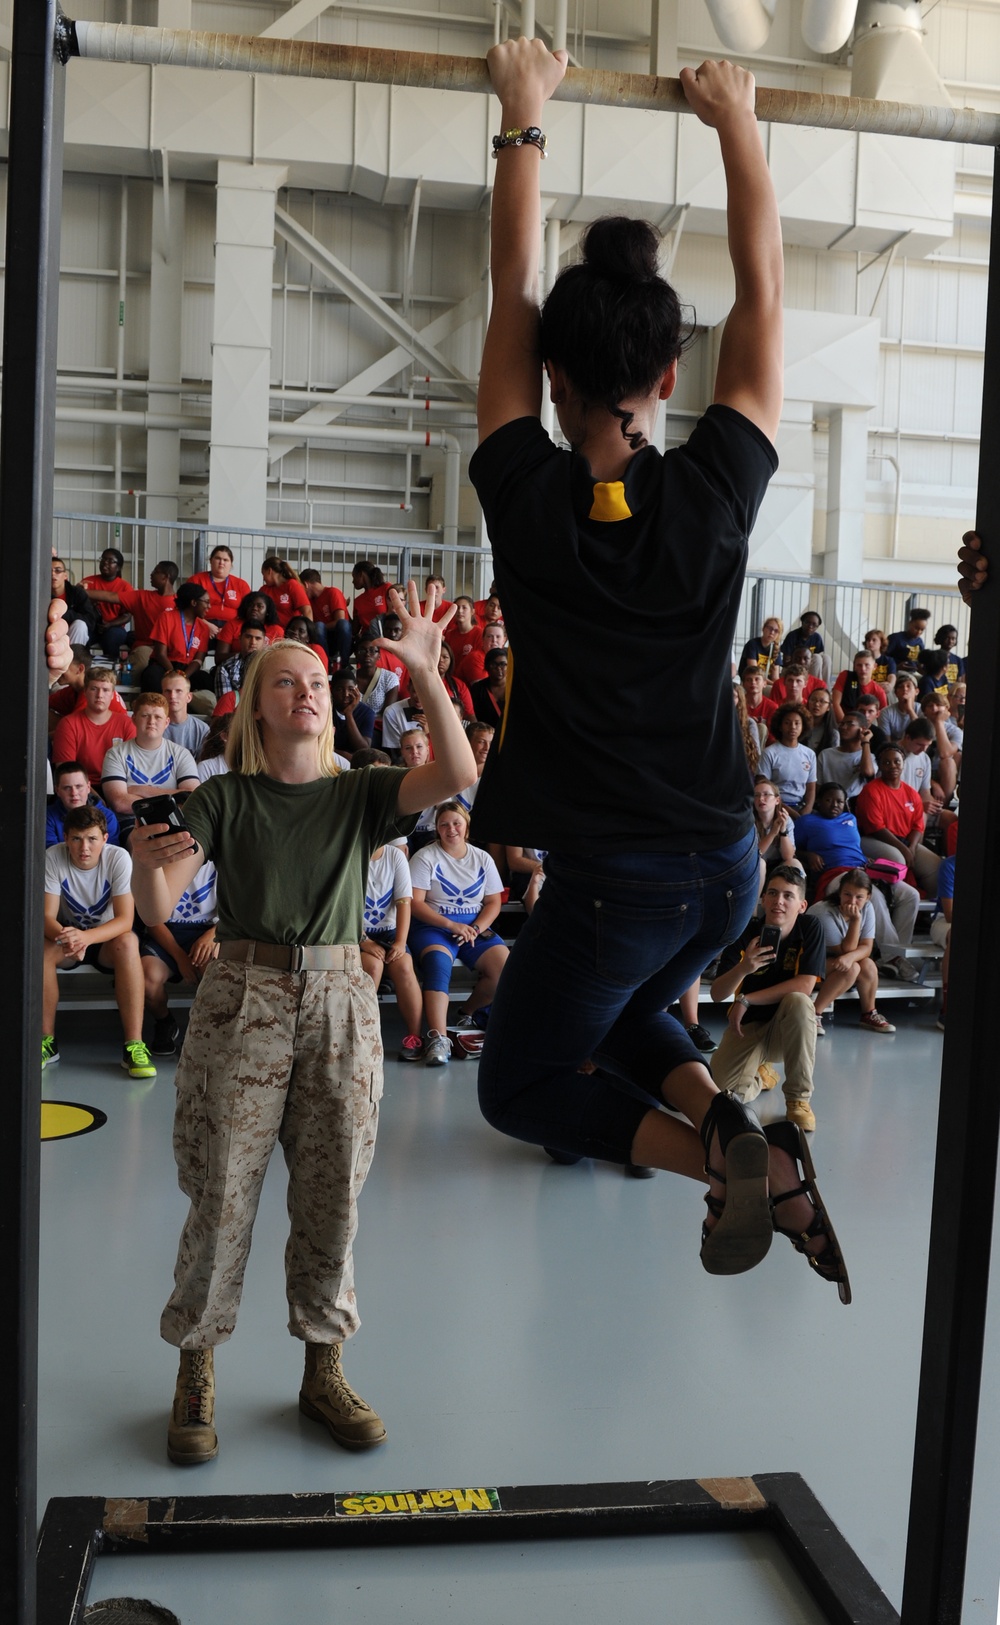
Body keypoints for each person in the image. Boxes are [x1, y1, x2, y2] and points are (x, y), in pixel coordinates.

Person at [468, 40, 846, 1295]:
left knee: (522, 1079)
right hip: (727, 865)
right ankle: (741, 1130)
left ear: (554, 380)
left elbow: (510, 293)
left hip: (620, 878)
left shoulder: (527, 501)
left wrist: (524, 115)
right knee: (627, 1008)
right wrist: (736, 123)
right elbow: (766, 293)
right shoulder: (716, 495)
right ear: (670, 378)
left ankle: (728, 1164)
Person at [129, 587, 477, 1466]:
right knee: (221, 1192)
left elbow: (459, 776)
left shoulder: (358, 794)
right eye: (286, 682)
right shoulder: (226, 797)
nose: (307, 692)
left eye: (317, 680)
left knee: (334, 1194)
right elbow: (161, 901)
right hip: (243, 999)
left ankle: (325, 1365)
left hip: (339, 1006)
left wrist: (429, 674)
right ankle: (196, 1367)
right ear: (257, 706)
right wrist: (143, 861)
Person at [710, 865, 826, 1135]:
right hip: (747, 1028)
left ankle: (798, 1099)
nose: (779, 901)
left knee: (798, 1001)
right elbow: (718, 994)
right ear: (762, 899)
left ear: (802, 905)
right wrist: (743, 968)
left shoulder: (810, 928)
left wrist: (746, 999)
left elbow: (806, 984)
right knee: (724, 1093)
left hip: (787, 1032)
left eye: (788, 895)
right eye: (772, 893)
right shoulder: (746, 931)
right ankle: (761, 1077)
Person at [43, 805, 156, 1078]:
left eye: (92, 839)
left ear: (105, 838)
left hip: (106, 941)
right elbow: (45, 917)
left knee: (129, 942)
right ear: (66, 838)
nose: (84, 847)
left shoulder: (118, 858)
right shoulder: (53, 856)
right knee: (42, 952)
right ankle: (45, 1041)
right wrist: (70, 938)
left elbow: (125, 920)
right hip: (67, 938)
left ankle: (134, 1046)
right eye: (76, 839)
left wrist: (85, 938)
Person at [408, 800, 509, 1066]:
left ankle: (467, 1013)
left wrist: (475, 928)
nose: (450, 829)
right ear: (437, 829)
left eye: (456, 823)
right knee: (438, 964)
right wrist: (452, 926)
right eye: (444, 824)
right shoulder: (425, 856)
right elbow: (415, 904)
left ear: (466, 827)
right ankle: (437, 1037)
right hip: (434, 926)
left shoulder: (482, 857)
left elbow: (493, 902)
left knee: (505, 969)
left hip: (474, 927)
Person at [793, 782, 920, 975]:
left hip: (862, 869)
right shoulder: (807, 822)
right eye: (828, 800)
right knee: (873, 896)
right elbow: (791, 848)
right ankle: (894, 958)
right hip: (835, 874)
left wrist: (865, 860)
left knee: (911, 895)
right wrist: (807, 855)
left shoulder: (850, 818)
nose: (834, 804)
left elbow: (854, 847)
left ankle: (895, 953)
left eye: (839, 801)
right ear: (818, 801)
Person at [141, 860, 219, 1056]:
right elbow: (152, 921)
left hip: (206, 933)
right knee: (146, 980)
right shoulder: (161, 862)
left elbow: (236, 913)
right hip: (167, 934)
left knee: (215, 974)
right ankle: (165, 1022)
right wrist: (180, 958)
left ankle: (203, 1032)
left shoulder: (224, 862)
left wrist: (212, 936)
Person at [359, 834, 425, 1062]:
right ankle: (362, 1037)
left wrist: (399, 941)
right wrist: (363, 941)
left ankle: (414, 1037)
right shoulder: (352, 856)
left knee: (405, 966)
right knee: (373, 967)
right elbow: (343, 906)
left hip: (388, 931)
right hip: (357, 932)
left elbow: (404, 902)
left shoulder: (395, 856)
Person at [807, 869, 895, 1035]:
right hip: (810, 968)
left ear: (868, 897)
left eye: (859, 897)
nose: (852, 901)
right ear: (839, 892)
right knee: (851, 967)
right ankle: (813, 1014)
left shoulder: (868, 908)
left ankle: (869, 1013)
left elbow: (867, 947)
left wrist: (850, 957)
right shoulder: (823, 912)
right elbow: (845, 950)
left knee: (867, 964)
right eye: (847, 894)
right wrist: (856, 920)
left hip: (835, 965)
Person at [855, 742, 940, 894]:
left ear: (903, 764)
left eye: (896, 762)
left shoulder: (911, 793)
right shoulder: (871, 791)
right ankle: (897, 901)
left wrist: (912, 847)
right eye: (886, 762)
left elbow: (917, 825)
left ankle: (928, 912)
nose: (892, 766)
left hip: (905, 841)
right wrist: (904, 849)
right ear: (879, 766)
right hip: (874, 839)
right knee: (898, 861)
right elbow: (877, 828)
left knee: (935, 865)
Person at [100, 694, 199, 822]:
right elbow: (120, 803)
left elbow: (190, 798)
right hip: (131, 822)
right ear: (134, 719)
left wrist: (141, 790)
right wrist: (173, 799)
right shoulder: (116, 754)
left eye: (158, 717)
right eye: (145, 716)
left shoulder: (181, 754)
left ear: (167, 722)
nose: (151, 721)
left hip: (172, 819)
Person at [84, 560, 179, 678]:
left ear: (165, 577)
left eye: (156, 571)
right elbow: (111, 596)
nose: (151, 574)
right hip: (146, 649)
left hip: (171, 651)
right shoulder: (141, 597)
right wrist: (80, 591)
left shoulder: (180, 603)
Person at [52, 666, 136, 788]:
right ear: (85, 691)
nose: (99, 695)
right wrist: (98, 801)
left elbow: (133, 770)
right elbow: (66, 774)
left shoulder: (127, 724)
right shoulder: (68, 724)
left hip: (119, 786)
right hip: (81, 790)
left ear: (113, 695)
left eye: (105, 690)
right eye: (94, 689)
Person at [146, 583, 215, 692]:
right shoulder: (167, 617)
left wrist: (183, 676)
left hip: (188, 669)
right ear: (193, 602)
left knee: (205, 680)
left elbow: (198, 660)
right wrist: (173, 673)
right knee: (152, 675)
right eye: (206, 602)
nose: (209, 606)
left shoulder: (203, 628)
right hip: (164, 665)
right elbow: (160, 654)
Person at [758, 702, 817, 817]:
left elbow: (811, 789)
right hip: (775, 807)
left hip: (801, 807)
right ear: (780, 726)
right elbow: (763, 787)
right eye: (787, 723)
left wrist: (806, 810)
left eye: (797, 723)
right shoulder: (769, 753)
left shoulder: (809, 754)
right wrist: (789, 812)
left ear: (803, 726)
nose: (793, 727)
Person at [46, 760, 121, 848]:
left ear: (88, 787)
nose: (74, 793)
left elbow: (110, 852)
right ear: (57, 790)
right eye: (67, 788)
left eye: (79, 787)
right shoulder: (47, 816)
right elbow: (50, 852)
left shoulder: (107, 817)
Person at [80, 548, 132, 662]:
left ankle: (111, 670)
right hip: (92, 626)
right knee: (80, 637)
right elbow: (78, 607)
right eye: (103, 559)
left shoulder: (125, 587)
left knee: (112, 637)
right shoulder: (88, 582)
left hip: (114, 627)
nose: (105, 562)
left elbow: (127, 615)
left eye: (110, 561)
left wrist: (110, 624)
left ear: (118, 567)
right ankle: (84, 667)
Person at [816, 710, 876, 801]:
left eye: (850, 724)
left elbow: (867, 772)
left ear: (862, 729)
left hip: (854, 805)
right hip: (827, 804)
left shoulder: (868, 757)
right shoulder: (825, 754)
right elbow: (818, 786)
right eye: (842, 724)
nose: (843, 727)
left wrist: (865, 741)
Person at [187, 546, 250, 629]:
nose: (221, 562)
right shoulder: (196, 580)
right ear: (211, 561)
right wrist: (205, 625)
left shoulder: (241, 584)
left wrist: (229, 630)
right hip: (201, 624)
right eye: (218, 558)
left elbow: (248, 611)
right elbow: (187, 608)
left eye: (225, 560)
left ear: (231, 564)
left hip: (232, 628)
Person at [300, 567, 352, 668]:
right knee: (317, 627)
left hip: (339, 639)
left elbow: (340, 620)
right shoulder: (309, 602)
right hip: (322, 640)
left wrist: (319, 627)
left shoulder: (333, 592)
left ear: (306, 584)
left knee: (338, 624)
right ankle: (325, 664)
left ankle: (344, 664)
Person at [831, 651, 887, 727]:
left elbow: (883, 717)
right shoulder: (845, 676)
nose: (863, 669)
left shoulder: (879, 691)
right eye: (859, 665)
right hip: (841, 723)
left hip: (864, 726)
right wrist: (846, 726)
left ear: (874, 666)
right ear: (854, 666)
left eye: (867, 665)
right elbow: (835, 703)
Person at [162, 671, 210, 757]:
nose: (172, 696)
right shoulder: (154, 726)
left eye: (178, 691)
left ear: (189, 697)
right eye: (168, 691)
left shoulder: (202, 729)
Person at [51, 558, 96, 647]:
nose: (52, 574)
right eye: (49, 571)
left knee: (80, 625)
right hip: (51, 634)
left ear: (65, 576)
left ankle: (74, 660)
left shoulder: (77, 593)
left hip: (72, 635)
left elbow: (90, 620)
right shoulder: (40, 595)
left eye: (58, 571)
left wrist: (64, 614)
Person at [260, 557, 312, 628]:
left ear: (270, 571)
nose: (263, 578)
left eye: (263, 574)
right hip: (271, 633)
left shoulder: (292, 585)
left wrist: (308, 633)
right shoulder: (264, 589)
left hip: (291, 633)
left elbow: (307, 611)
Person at [737, 616, 783, 685]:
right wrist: (773, 684)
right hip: (751, 682)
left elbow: (775, 677)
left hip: (765, 683)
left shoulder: (776, 649)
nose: (772, 632)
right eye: (770, 628)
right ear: (763, 628)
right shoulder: (752, 644)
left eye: (776, 631)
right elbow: (754, 672)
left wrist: (778, 686)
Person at [470, 645, 508, 728]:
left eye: (503, 664)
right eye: (494, 664)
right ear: (487, 667)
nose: (499, 668)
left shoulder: (515, 687)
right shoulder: (477, 689)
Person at [351, 561, 391, 634]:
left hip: (385, 634)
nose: (352, 581)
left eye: (354, 577)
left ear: (360, 574)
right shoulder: (358, 601)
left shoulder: (386, 588)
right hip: (366, 639)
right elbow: (354, 630)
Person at [863, 629, 896, 693]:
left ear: (881, 643)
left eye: (874, 640)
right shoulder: (862, 659)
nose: (870, 642)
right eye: (868, 640)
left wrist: (890, 685)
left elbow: (892, 676)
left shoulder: (889, 660)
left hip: (884, 689)